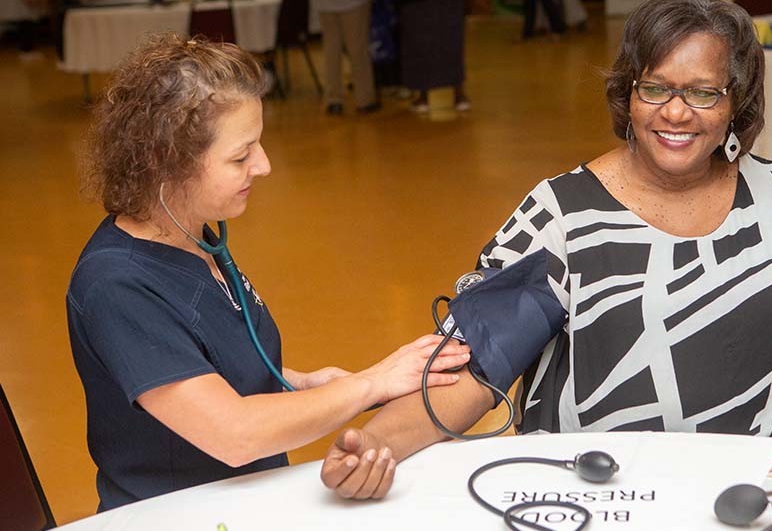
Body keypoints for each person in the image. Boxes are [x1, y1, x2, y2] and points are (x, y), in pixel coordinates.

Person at [319, 0, 772, 499]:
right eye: (655, 88)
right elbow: (471, 371)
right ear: (628, 93)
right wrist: (376, 446)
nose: (676, 112)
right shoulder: (561, 218)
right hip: (600, 505)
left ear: (737, 101)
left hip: (749, 504)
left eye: (704, 93)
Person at [67, 33, 470, 511]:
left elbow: (207, 363)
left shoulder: (193, 235)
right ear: (164, 160)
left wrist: (301, 383)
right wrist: (370, 383)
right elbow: (234, 433)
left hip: (243, 498)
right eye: (241, 155)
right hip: (178, 513)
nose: (264, 165)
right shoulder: (117, 285)